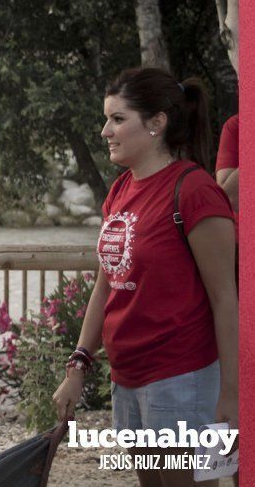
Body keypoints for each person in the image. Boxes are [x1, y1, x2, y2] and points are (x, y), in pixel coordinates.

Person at [53, 67, 238, 487]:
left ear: (157, 123)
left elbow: (226, 298)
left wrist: (232, 392)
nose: (105, 131)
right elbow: (106, 284)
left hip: (182, 381)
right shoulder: (120, 190)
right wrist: (78, 364)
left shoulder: (194, 191)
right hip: (129, 379)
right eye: (106, 119)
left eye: (118, 119)